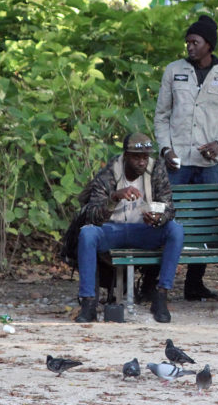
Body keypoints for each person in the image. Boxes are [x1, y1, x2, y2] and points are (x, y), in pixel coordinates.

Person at [153, 14, 218, 300]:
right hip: (176, 162)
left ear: (209, 45)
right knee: (166, 217)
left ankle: (194, 283)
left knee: (205, 221)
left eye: (195, 42)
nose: (189, 47)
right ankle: (152, 282)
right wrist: (166, 149)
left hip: (208, 164)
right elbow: (161, 116)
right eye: (187, 42)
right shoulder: (173, 71)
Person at [74, 132, 183, 324]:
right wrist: (115, 197)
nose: (142, 162)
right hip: (112, 230)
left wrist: (158, 218)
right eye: (136, 157)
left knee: (175, 230)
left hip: (143, 230)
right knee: (87, 233)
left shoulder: (156, 169)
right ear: (126, 156)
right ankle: (89, 302)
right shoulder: (110, 172)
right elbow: (92, 215)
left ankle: (160, 295)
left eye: (145, 157)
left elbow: (169, 208)